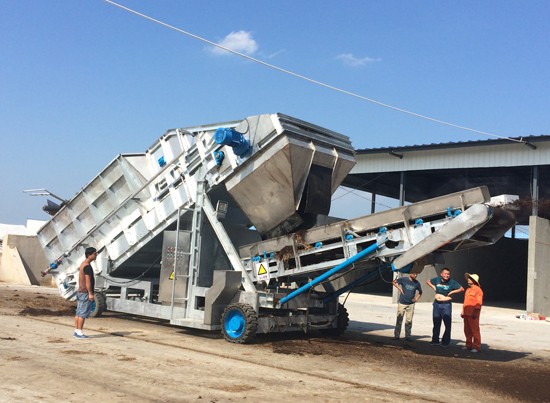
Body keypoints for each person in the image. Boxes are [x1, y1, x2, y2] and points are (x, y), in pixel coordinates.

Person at [426, 268, 464, 347]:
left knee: (447, 323)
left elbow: (461, 289)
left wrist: (452, 292)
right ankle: (435, 340)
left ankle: (445, 342)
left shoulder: (452, 282)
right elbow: (428, 281)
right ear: (441, 274)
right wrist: (434, 288)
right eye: (445, 274)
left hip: (446, 305)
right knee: (436, 322)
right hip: (437, 304)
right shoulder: (437, 280)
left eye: (448, 274)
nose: (446, 275)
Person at [74, 247, 98, 339]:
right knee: (83, 313)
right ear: (89, 255)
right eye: (94, 254)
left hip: (80, 291)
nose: (95, 256)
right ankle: (79, 332)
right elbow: (88, 281)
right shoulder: (87, 266)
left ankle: (76, 331)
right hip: (85, 292)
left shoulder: (83, 264)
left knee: (78, 313)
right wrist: (90, 293)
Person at [392, 272, 423, 341]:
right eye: (414, 274)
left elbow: (420, 292)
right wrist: (399, 288)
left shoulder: (417, 283)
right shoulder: (403, 279)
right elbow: (394, 282)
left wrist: (416, 299)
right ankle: (396, 335)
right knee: (399, 319)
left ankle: (408, 335)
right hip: (402, 302)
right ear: (410, 274)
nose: (415, 275)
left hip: (411, 304)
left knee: (409, 320)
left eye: (416, 274)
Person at [461, 273, 483, 353]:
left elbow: (478, 302)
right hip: (467, 313)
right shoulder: (468, 290)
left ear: (474, 281)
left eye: (470, 278)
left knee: (475, 331)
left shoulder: (478, 290)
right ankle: (468, 345)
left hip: (473, 314)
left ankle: (476, 346)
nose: (468, 279)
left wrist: (476, 311)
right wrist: (463, 311)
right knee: (467, 330)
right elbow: (465, 302)